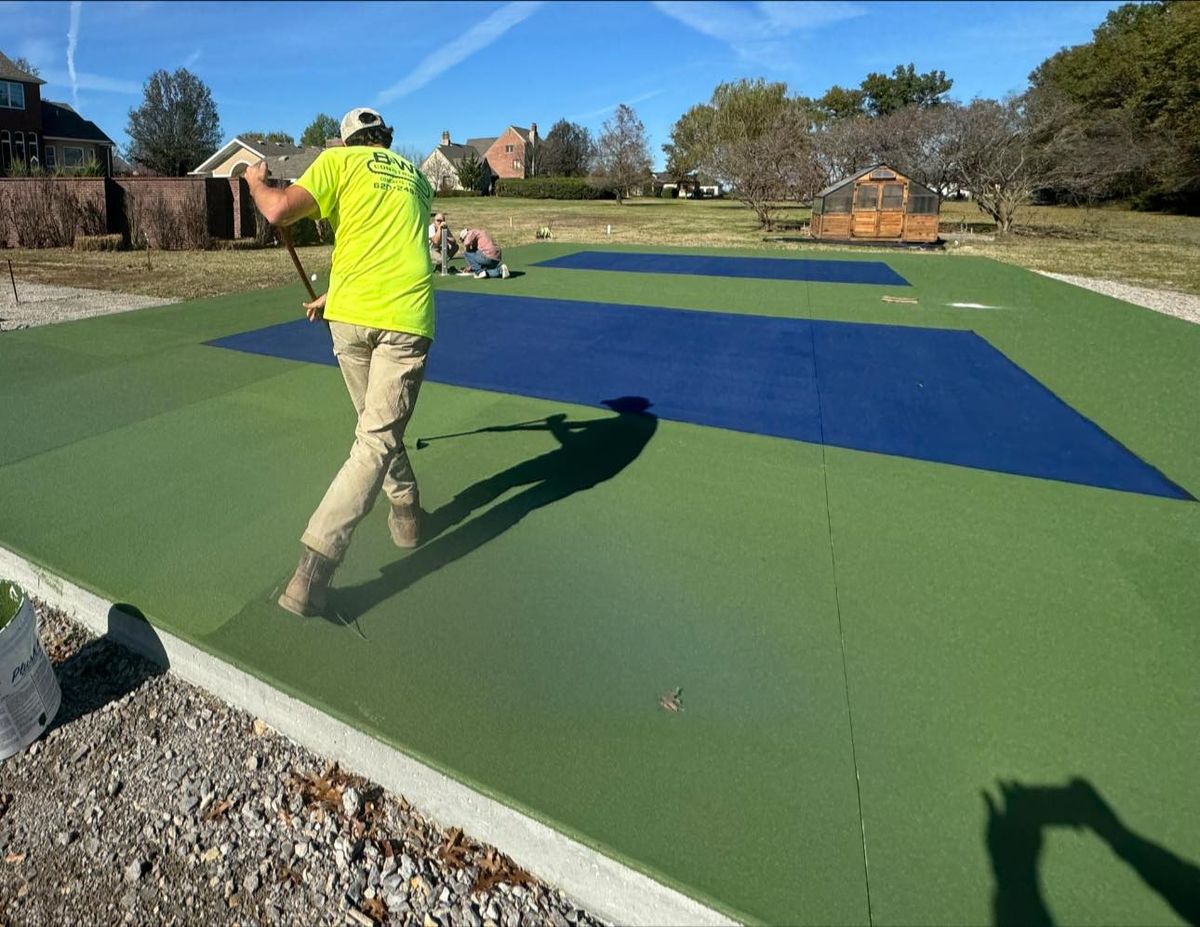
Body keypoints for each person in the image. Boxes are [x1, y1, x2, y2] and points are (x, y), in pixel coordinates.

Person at [243, 106, 435, 617]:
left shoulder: (337, 162)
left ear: (347, 140)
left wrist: (256, 181)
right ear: (384, 138)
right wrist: (335, 293)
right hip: (402, 316)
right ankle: (319, 568)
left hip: (354, 320)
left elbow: (277, 210)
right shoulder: (417, 178)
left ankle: (398, 515)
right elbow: (388, 245)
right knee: (377, 436)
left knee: (374, 434)